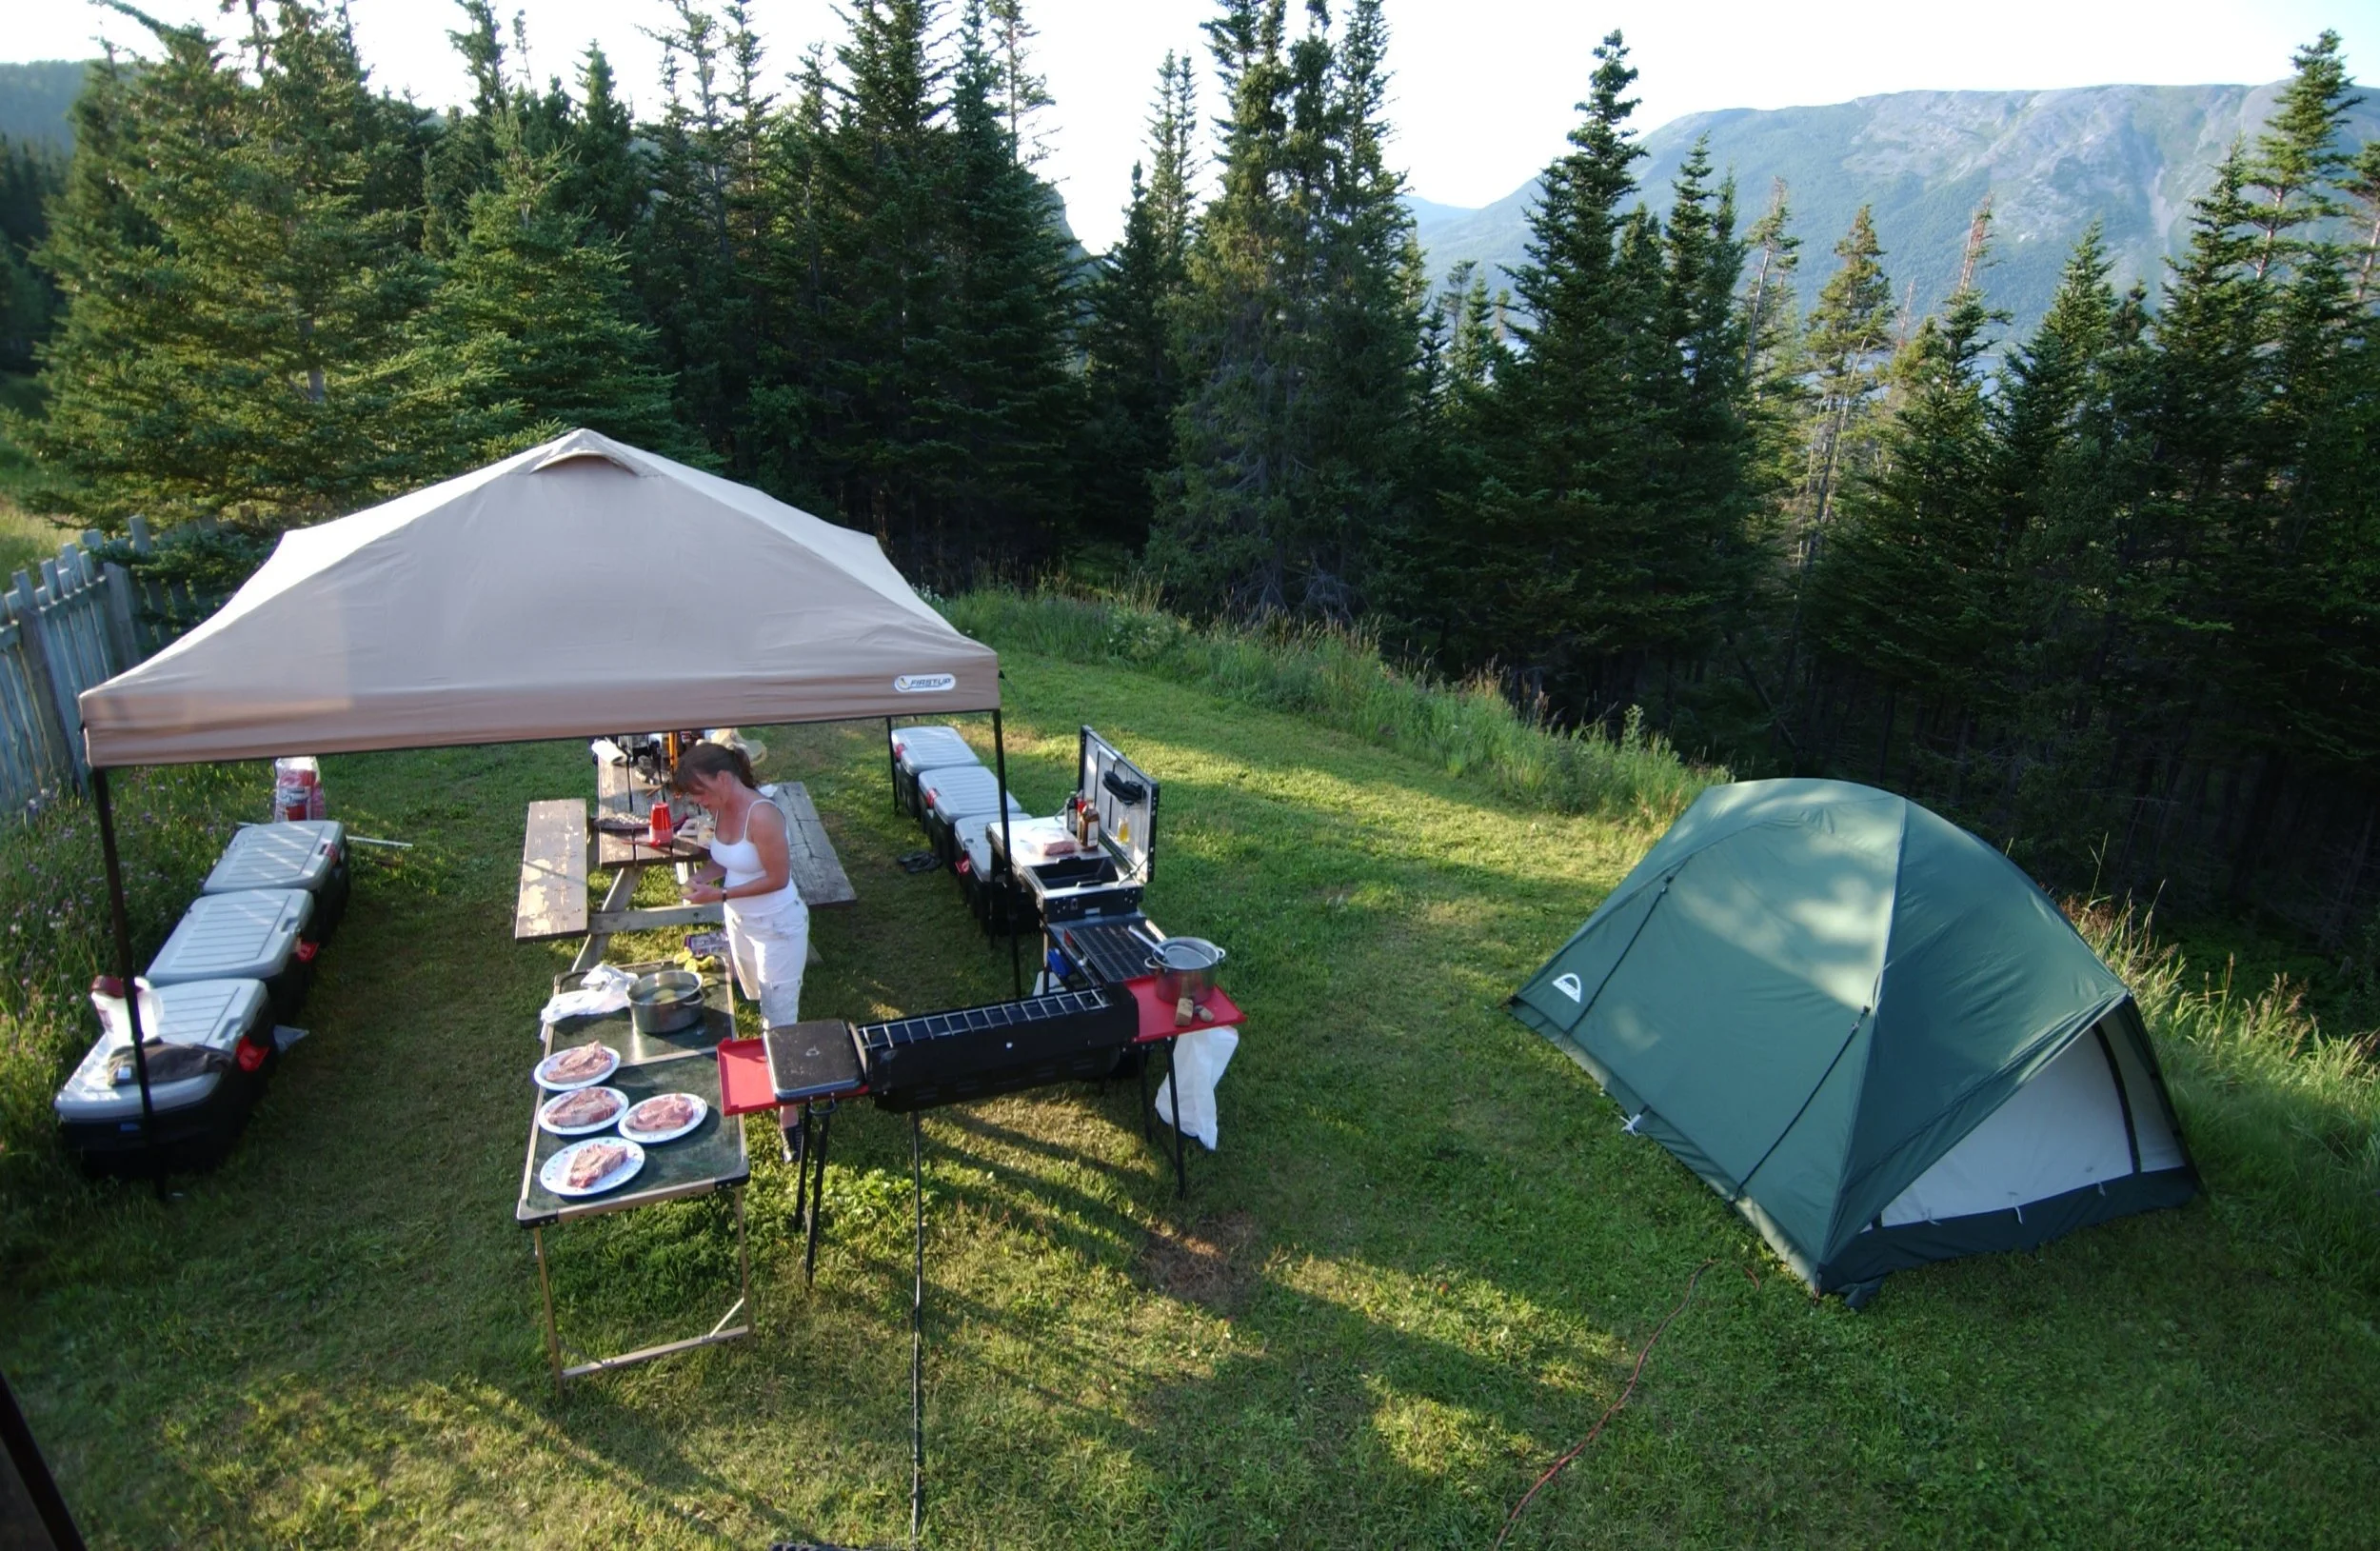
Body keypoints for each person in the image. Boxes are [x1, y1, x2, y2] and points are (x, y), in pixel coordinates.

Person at [673, 740, 808, 1024]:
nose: (697, 800)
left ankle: (779, 1050)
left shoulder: (762, 815)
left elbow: (778, 879)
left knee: (779, 1017)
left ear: (723, 778)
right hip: (739, 921)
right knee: (756, 993)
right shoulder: (720, 807)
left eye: (700, 791)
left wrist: (720, 894)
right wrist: (700, 877)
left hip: (777, 926)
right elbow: (731, 858)